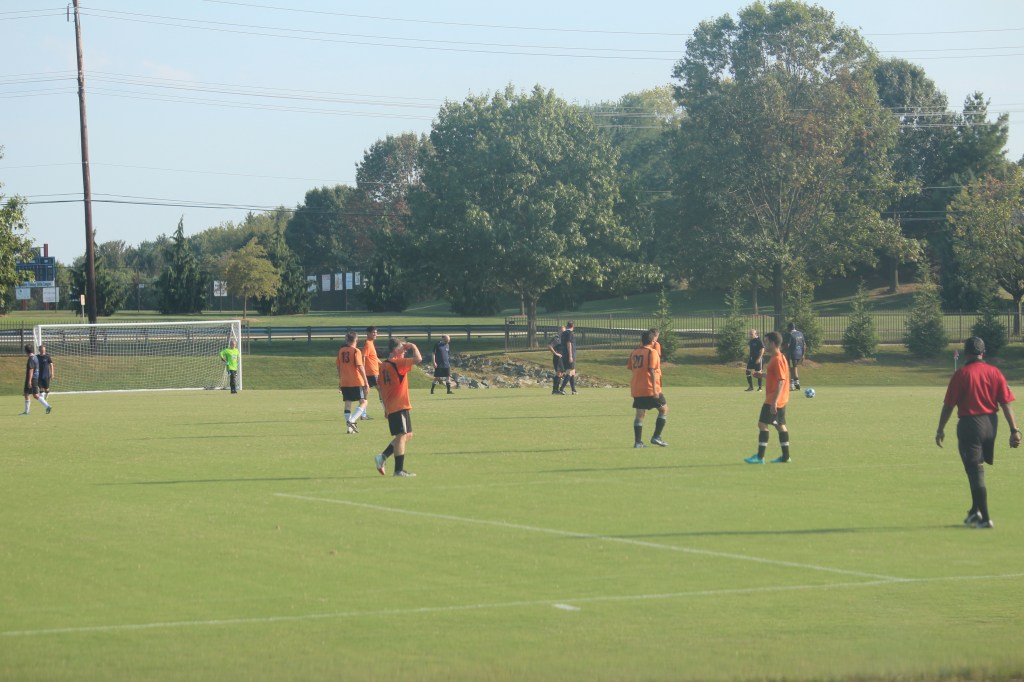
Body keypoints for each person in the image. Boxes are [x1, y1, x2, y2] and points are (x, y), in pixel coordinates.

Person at [935, 337, 1020, 529]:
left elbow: (948, 406)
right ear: (983, 353)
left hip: (970, 425)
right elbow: (1006, 403)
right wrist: (1014, 430)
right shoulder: (995, 372)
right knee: (973, 468)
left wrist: (940, 429)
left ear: (966, 354)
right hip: (991, 424)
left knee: (975, 471)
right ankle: (975, 511)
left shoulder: (962, 374)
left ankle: (985, 518)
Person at [374, 338, 423, 477]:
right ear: (396, 350)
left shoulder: (383, 365)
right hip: (398, 405)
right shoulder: (398, 363)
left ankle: (383, 456)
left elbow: (381, 388)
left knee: (407, 435)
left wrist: (385, 407)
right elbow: (418, 359)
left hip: (394, 405)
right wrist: (413, 345)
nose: (405, 351)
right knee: (401, 436)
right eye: (403, 348)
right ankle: (398, 470)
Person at [745, 331, 791, 464]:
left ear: (773, 343)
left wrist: (774, 402)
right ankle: (786, 457)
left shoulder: (777, 359)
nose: (765, 345)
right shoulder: (779, 357)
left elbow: (781, 381)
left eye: (766, 342)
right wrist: (763, 375)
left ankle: (760, 457)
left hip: (774, 399)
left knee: (762, 424)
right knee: (780, 425)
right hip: (780, 398)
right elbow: (777, 376)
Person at [629, 330, 668, 448]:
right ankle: (656, 437)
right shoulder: (652, 352)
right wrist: (655, 390)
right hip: (650, 388)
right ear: (652, 341)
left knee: (640, 414)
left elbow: (631, 368)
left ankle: (638, 442)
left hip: (637, 388)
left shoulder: (634, 352)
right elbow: (652, 370)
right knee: (664, 410)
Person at [336, 331, 368, 434]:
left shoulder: (341, 351)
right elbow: (360, 366)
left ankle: (350, 429)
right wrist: (366, 381)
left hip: (344, 381)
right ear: (356, 340)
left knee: (348, 403)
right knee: (364, 402)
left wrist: (340, 380)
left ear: (346, 340)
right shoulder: (356, 351)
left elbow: (338, 366)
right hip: (356, 381)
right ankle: (352, 420)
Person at [21, 344, 53, 416]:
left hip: (31, 378)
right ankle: (47, 406)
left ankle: (26, 412)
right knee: (35, 395)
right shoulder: (35, 357)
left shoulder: (31, 359)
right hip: (35, 378)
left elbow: (31, 370)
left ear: (26, 351)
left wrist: (29, 381)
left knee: (26, 394)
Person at [361, 326, 380, 419]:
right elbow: (363, 357)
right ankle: (387, 412)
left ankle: (363, 414)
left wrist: (383, 364)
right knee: (381, 391)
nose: (375, 334)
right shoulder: (368, 344)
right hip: (372, 372)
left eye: (376, 332)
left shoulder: (371, 343)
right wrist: (363, 371)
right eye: (373, 332)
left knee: (365, 392)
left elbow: (374, 357)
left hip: (373, 372)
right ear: (368, 333)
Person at [783, 322, 806, 391]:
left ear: (789, 328)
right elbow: (804, 345)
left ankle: (795, 384)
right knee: (794, 368)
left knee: (792, 369)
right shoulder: (800, 333)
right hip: (799, 353)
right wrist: (803, 354)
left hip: (792, 354)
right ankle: (794, 384)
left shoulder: (790, 334)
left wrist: (781, 351)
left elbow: (787, 345)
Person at [558, 321, 578, 395]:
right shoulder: (570, 333)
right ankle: (561, 388)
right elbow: (569, 343)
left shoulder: (563, 333)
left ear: (567, 326)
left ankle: (573, 390)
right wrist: (570, 356)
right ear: (573, 326)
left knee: (573, 372)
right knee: (570, 372)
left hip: (564, 354)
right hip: (570, 354)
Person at [548, 325, 566, 394]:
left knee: (561, 373)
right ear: (558, 331)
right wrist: (555, 353)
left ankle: (557, 389)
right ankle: (555, 390)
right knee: (558, 373)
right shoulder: (556, 339)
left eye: (563, 331)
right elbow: (549, 346)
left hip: (562, 358)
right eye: (561, 331)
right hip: (557, 358)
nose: (562, 332)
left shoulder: (564, 338)